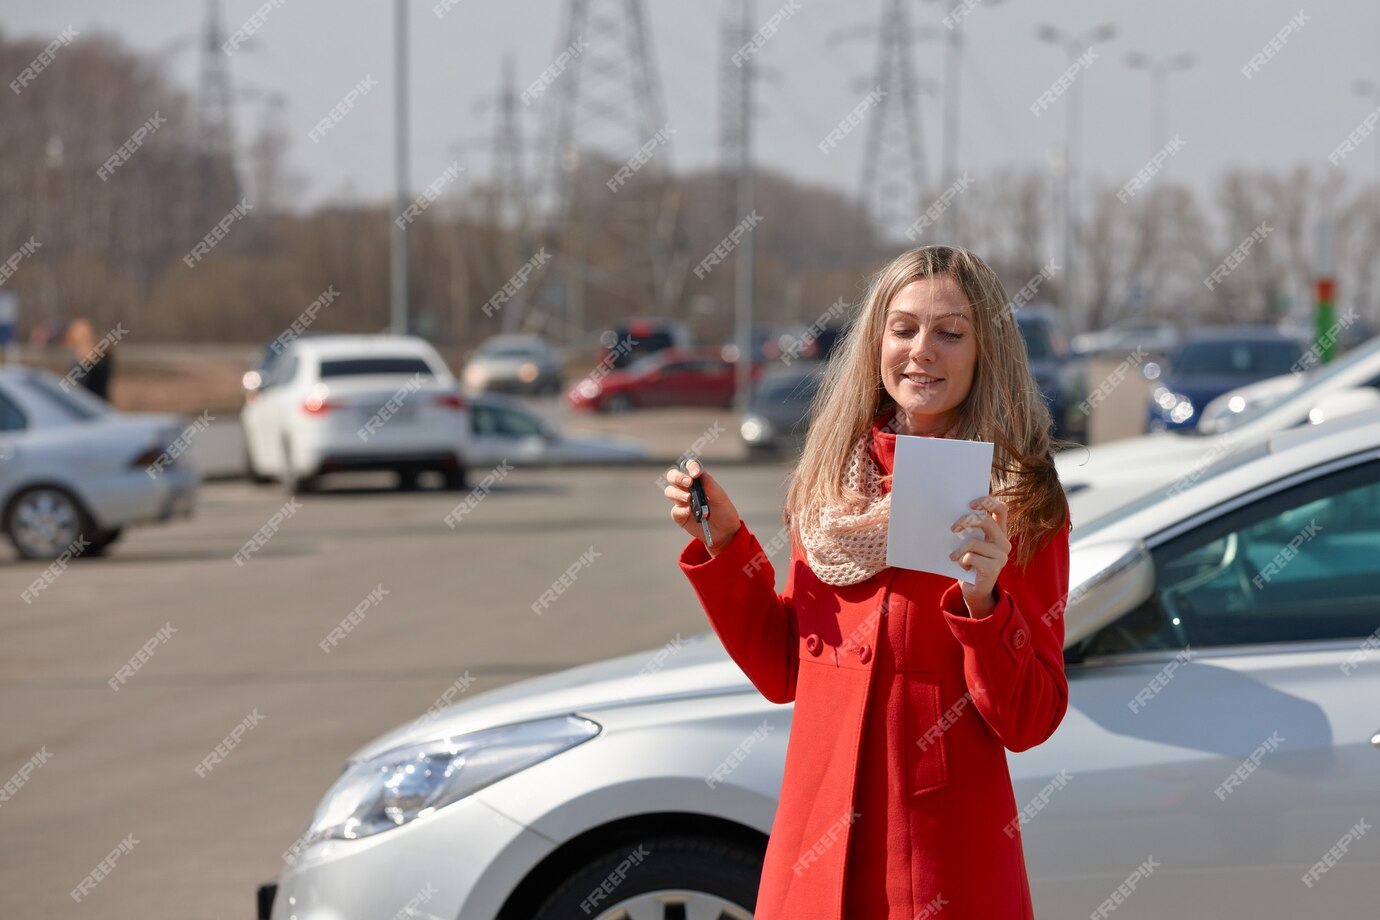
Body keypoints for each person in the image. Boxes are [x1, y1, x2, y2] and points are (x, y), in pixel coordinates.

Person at [663, 245, 1072, 919]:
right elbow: (784, 668)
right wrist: (726, 543)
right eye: (904, 328)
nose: (922, 352)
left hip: (940, 859)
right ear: (876, 341)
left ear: (985, 350)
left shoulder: (1017, 497)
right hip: (816, 843)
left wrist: (985, 602)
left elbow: (1029, 719)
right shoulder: (830, 485)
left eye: (949, 333)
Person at [63, 317, 114, 400]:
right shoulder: (104, 356)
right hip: (101, 403)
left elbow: (80, 389)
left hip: (87, 404)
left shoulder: (83, 362)